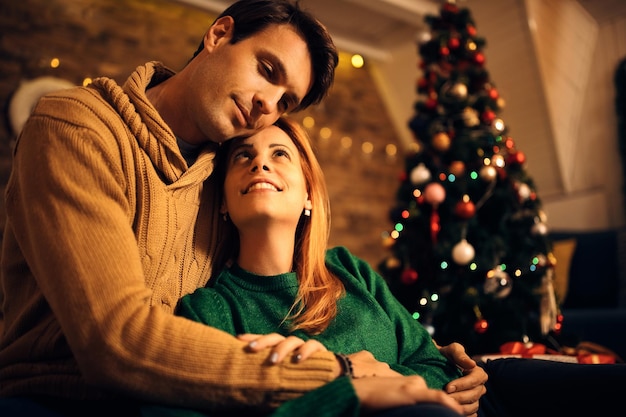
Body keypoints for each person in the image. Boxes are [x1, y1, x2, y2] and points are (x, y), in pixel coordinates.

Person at [0, 0, 486, 416]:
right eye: (267, 71)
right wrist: (338, 370)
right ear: (219, 33)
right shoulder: (77, 128)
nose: (265, 105)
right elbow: (114, 340)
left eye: (284, 101)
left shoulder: (225, 171)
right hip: (61, 400)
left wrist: (427, 359)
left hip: (198, 395)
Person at [145, 117, 626, 417]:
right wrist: (350, 390)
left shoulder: (349, 271)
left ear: (309, 195)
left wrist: (411, 378)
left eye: (279, 155)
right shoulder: (208, 311)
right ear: (224, 203)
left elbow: (431, 363)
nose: (260, 165)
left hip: (494, 398)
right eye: (243, 158)